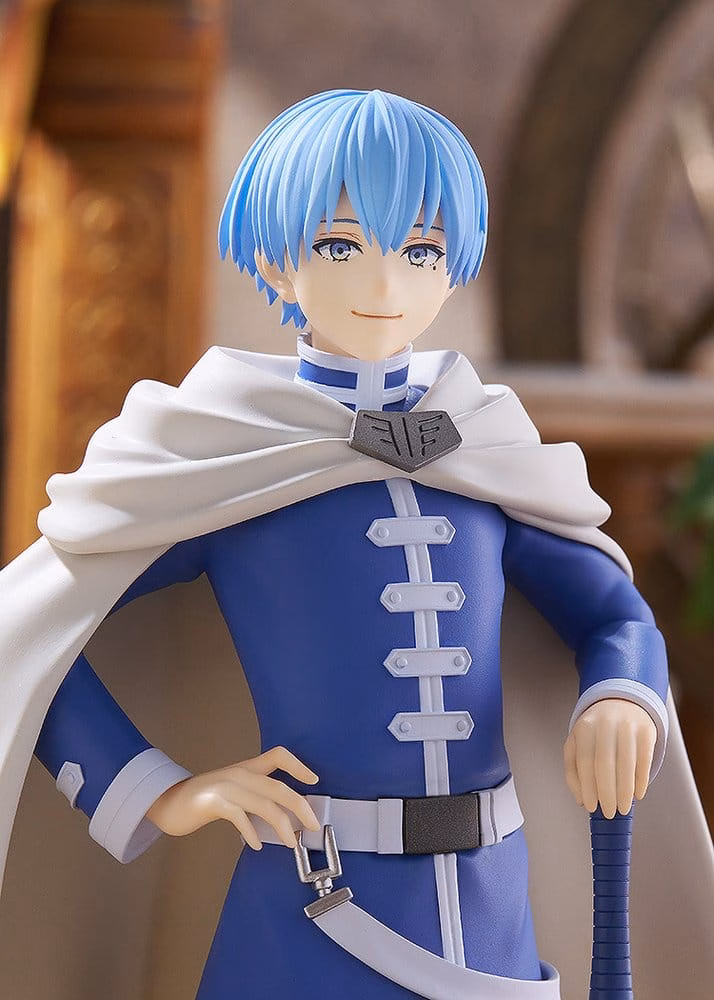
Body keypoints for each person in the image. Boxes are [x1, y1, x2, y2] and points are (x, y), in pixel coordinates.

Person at [0, 89, 707, 999]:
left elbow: (613, 615)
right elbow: (31, 631)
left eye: (421, 251)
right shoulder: (228, 453)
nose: (384, 284)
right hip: (304, 919)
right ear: (276, 258)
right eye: (341, 246)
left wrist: (620, 696)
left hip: (490, 914)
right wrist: (161, 792)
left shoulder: (484, 445)